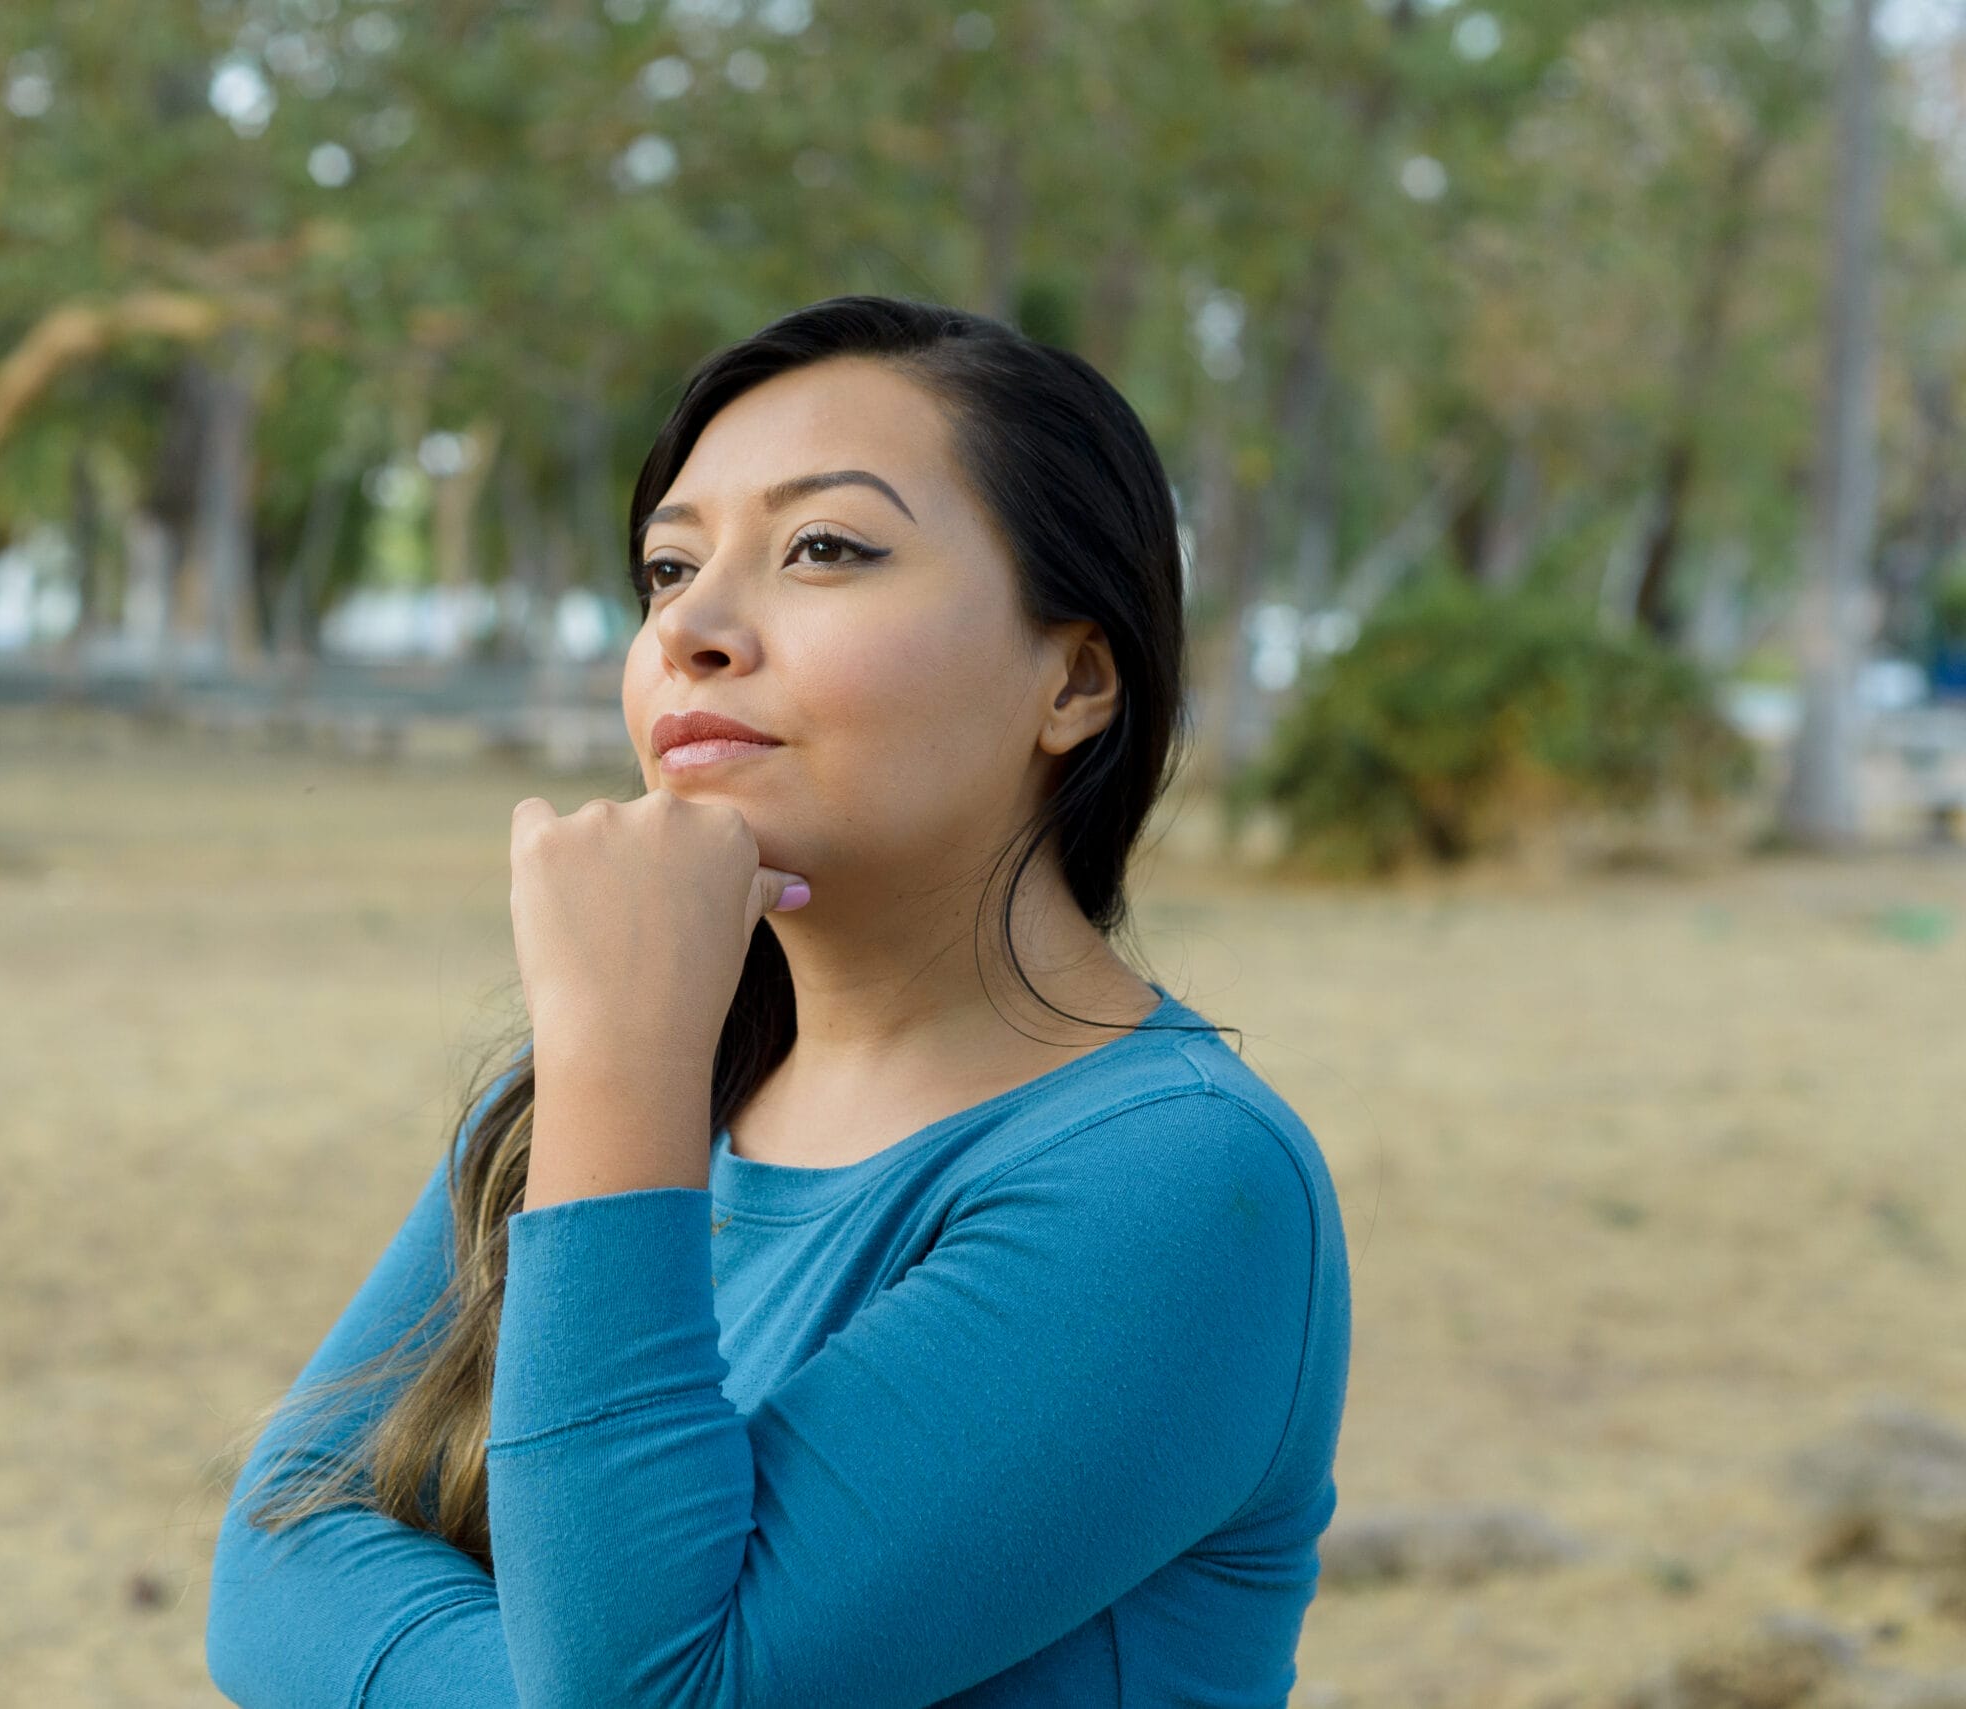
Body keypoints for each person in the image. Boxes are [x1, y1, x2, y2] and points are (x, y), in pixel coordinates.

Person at [206, 295, 1351, 1707]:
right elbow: (274, 1554)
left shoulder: (1176, 1179)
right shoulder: (607, 1101)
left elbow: (648, 1694)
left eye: (825, 547)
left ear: (1076, 675)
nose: (694, 625)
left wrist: (619, 1054)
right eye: (668, 567)